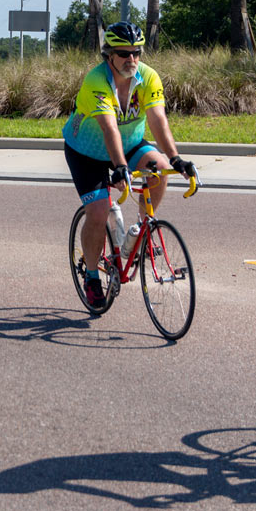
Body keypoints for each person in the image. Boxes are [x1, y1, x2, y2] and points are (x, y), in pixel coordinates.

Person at [63, 22, 197, 310]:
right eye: (124, 53)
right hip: (86, 150)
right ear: (109, 54)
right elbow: (109, 127)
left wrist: (175, 158)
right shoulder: (96, 81)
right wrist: (120, 166)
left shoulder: (148, 77)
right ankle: (91, 277)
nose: (132, 59)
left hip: (130, 143)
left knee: (159, 170)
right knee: (97, 212)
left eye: (136, 52)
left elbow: (158, 120)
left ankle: (140, 230)